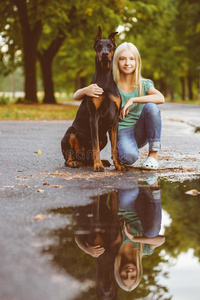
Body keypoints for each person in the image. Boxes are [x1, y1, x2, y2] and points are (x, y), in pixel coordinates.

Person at [73, 42, 165, 170]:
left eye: (131, 59)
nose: (127, 63)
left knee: (152, 107)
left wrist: (133, 99)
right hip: (123, 132)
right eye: (122, 59)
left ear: (137, 61)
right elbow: (76, 96)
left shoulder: (144, 84)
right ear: (116, 60)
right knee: (128, 158)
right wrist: (85, 90)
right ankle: (128, 149)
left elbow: (160, 98)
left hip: (140, 130)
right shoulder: (111, 84)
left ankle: (153, 156)